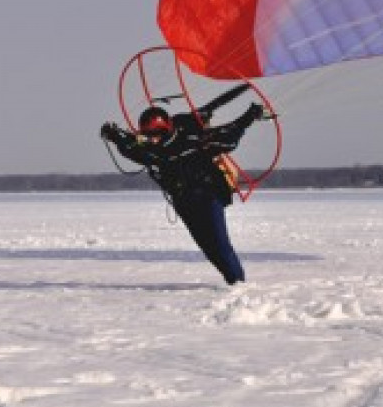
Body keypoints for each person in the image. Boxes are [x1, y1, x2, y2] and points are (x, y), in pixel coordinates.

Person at [100, 85, 269, 285]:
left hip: (208, 195)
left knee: (220, 244)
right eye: (149, 134)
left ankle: (239, 285)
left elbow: (227, 135)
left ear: (168, 127)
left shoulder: (190, 129)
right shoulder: (149, 149)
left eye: (158, 133)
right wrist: (113, 134)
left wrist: (248, 116)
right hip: (183, 201)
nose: (154, 138)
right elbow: (128, 147)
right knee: (208, 247)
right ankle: (232, 282)